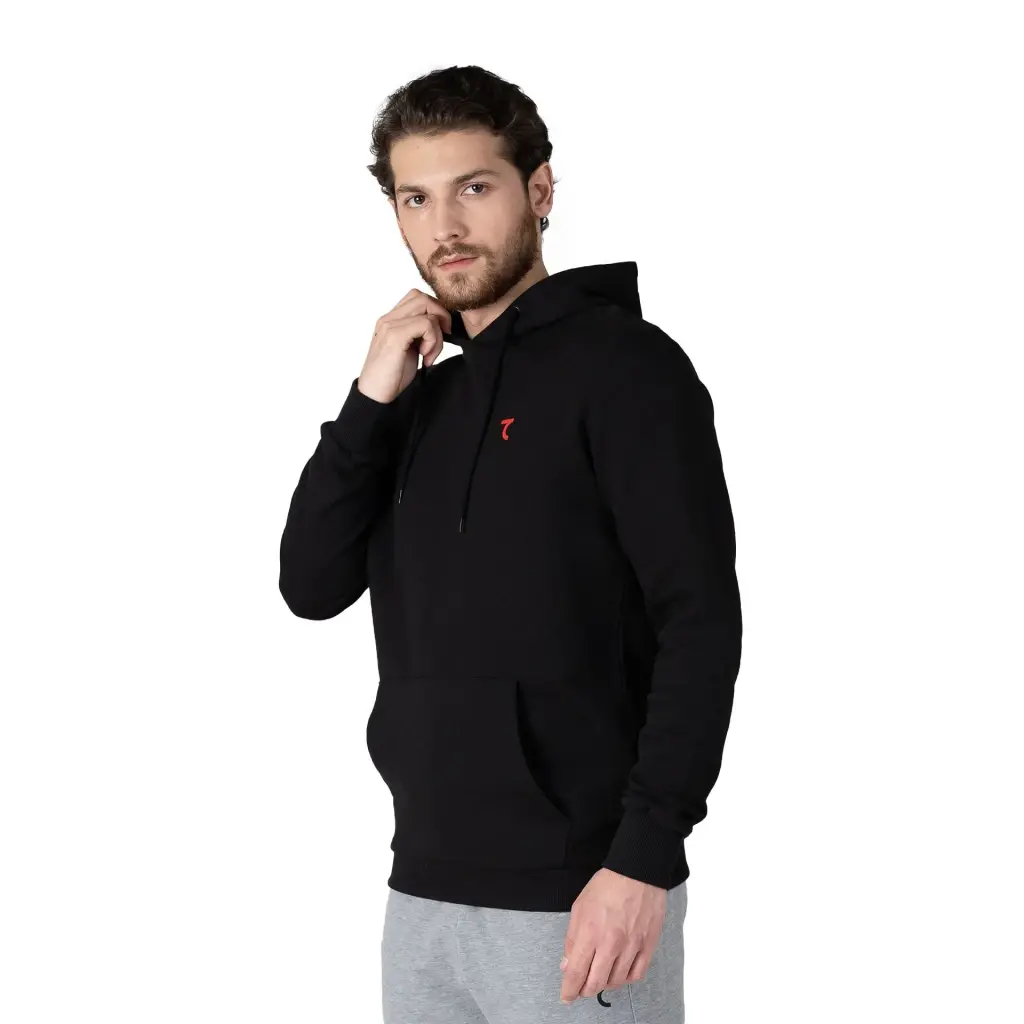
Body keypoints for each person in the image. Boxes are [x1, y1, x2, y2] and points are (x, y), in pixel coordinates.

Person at [279, 64, 742, 1023]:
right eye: (415, 198)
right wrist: (368, 400)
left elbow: (699, 620)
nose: (444, 225)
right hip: (422, 886)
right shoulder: (418, 397)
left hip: (581, 892)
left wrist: (643, 858)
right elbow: (310, 584)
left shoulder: (627, 369)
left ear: (539, 190)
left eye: (473, 187)